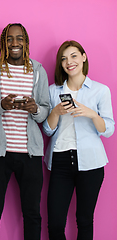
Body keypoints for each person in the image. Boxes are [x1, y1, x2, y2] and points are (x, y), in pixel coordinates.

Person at [0, 23, 50, 240]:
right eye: (9, 39)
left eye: (19, 38)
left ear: (26, 42)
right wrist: (2, 105)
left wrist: (34, 109)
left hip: (30, 154)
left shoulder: (38, 71)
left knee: (32, 214)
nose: (14, 43)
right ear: (3, 43)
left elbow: (45, 111)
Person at [43, 40, 114, 240]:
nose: (69, 62)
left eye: (74, 56)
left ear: (83, 57)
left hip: (91, 162)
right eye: (64, 58)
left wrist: (92, 114)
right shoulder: (52, 91)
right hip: (60, 161)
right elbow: (48, 130)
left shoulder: (100, 90)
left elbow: (108, 130)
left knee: (84, 221)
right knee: (55, 224)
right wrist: (56, 111)